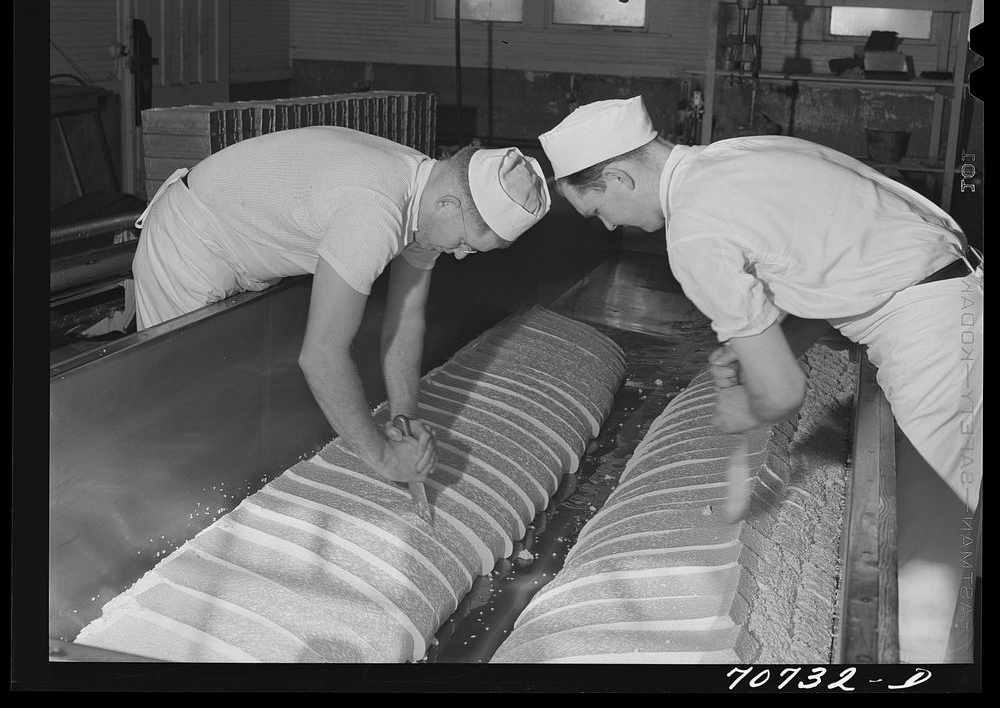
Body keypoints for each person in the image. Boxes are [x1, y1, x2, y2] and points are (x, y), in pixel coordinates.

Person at [538, 96, 982, 664]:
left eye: (598, 209)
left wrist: (745, 409)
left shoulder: (693, 235)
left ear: (620, 176)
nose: (607, 225)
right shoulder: (737, 155)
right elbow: (831, 270)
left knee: (933, 549)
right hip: (949, 292)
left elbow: (785, 394)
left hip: (933, 328)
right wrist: (769, 345)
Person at [132, 125, 551, 487]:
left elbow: (405, 319)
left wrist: (404, 421)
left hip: (241, 253)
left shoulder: (425, 195)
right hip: (190, 244)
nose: (460, 256)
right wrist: (385, 460)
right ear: (449, 204)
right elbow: (321, 357)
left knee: (215, 403)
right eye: (465, 244)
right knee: (178, 404)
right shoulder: (376, 209)